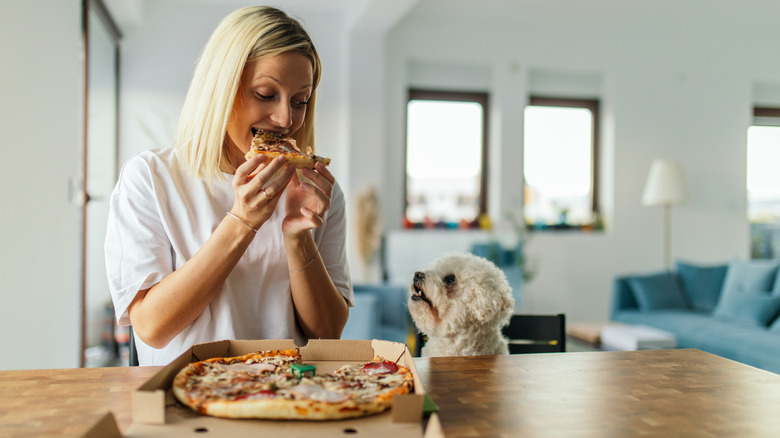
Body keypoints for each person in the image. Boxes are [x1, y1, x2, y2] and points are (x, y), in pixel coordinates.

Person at [105, 6, 352, 366]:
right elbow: (152, 327)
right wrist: (242, 221)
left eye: (300, 101)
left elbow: (328, 334)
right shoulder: (151, 178)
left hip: (291, 398)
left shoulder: (316, 192)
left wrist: (298, 237)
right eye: (266, 94)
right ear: (221, 91)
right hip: (186, 398)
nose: (286, 120)